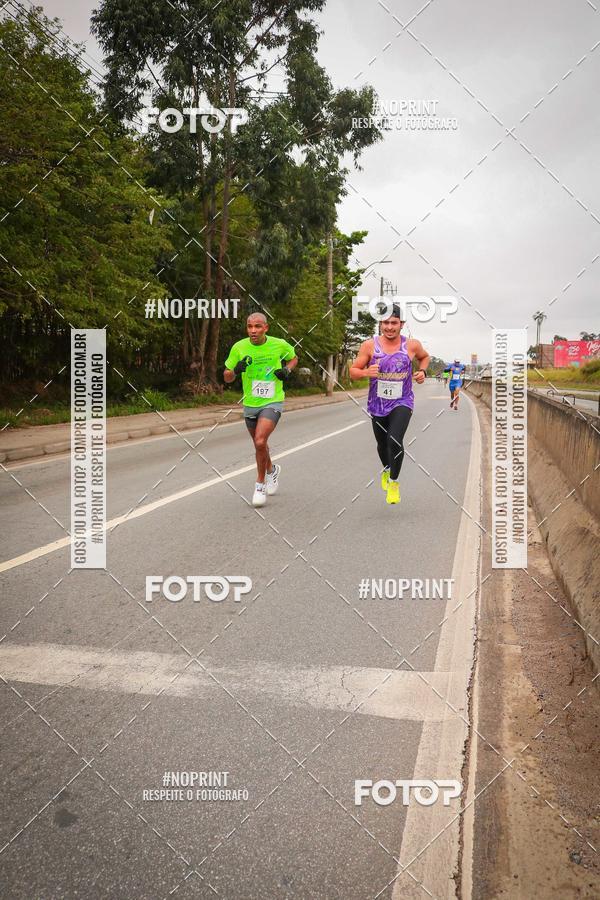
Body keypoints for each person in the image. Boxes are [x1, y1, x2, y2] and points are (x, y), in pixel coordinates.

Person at [349, 305, 430, 505]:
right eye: (386, 322)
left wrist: (423, 371)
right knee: (382, 444)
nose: (390, 327)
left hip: (403, 401)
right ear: (380, 324)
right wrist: (366, 373)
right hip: (377, 403)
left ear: (401, 324)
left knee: (394, 440)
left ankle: (394, 482)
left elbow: (424, 357)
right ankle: (386, 469)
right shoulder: (369, 346)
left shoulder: (411, 345)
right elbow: (353, 371)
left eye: (394, 323)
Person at [224, 312, 298, 506]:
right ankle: (272, 470)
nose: (253, 331)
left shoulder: (278, 344)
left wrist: (287, 370)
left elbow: (293, 358)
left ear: (266, 327)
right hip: (250, 403)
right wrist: (235, 370)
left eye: (257, 326)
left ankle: (259, 484)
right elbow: (226, 376)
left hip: (272, 401)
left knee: (259, 440)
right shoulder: (239, 347)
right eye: (250, 326)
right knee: (260, 445)